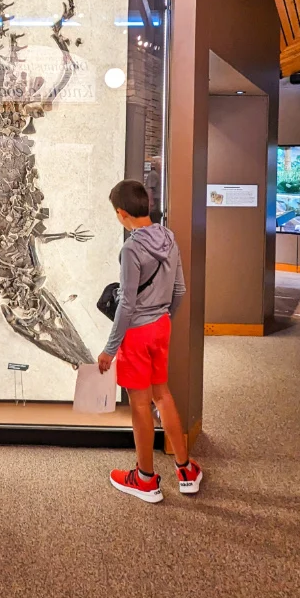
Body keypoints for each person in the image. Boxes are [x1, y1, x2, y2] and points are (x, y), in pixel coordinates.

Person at [98, 179, 202, 502]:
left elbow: (127, 304)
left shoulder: (130, 249)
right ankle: (185, 470)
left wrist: (109, 349)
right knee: (163, 395)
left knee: (140, 405)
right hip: (161, 327)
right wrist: (163, 315)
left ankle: (145, 478)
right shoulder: (169, 237)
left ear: (121, 213)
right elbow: (180, 290)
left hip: (137, 334)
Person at [144, 155, 163, 223]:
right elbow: (149, 189)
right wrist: (151, 201)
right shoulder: (153, 174)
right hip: (155, 201)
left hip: (158, 201)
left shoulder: (160, 174)